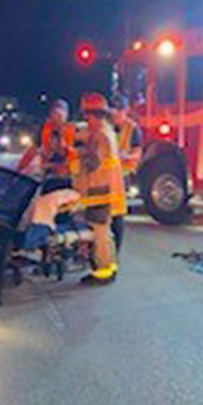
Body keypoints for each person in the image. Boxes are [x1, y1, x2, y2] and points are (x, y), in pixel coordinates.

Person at [75, 92, 126, 285]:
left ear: (93, 115)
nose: (85, 121)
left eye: (86, 116)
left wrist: (75, 154)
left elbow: (92, 163)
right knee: (104, 233)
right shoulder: (105, 132)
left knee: (100, 233)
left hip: (100, 192)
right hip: (104, 191)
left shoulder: (101, 136)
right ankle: (109, 268)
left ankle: (103, 272)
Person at [17, 98, 77, 186]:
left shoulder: (73, 131)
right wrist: (19, 170)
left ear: (66, 116)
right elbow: (32, 151)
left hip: (67, 176)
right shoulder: (44, 130)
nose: (56, 118)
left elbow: (74, 155)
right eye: (55, 114)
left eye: (60, 115)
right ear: (50, 114)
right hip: (47, 174)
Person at [110, 95, 142, 252]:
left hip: (122, 176)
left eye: (119, 111)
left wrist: (126, 156)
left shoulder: (133, 128)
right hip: (106, 175)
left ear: (126, 111)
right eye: (113, 111)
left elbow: (138, 153)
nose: (115, 115)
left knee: (116, 215)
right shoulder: (106, 126)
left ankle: (115, 249)